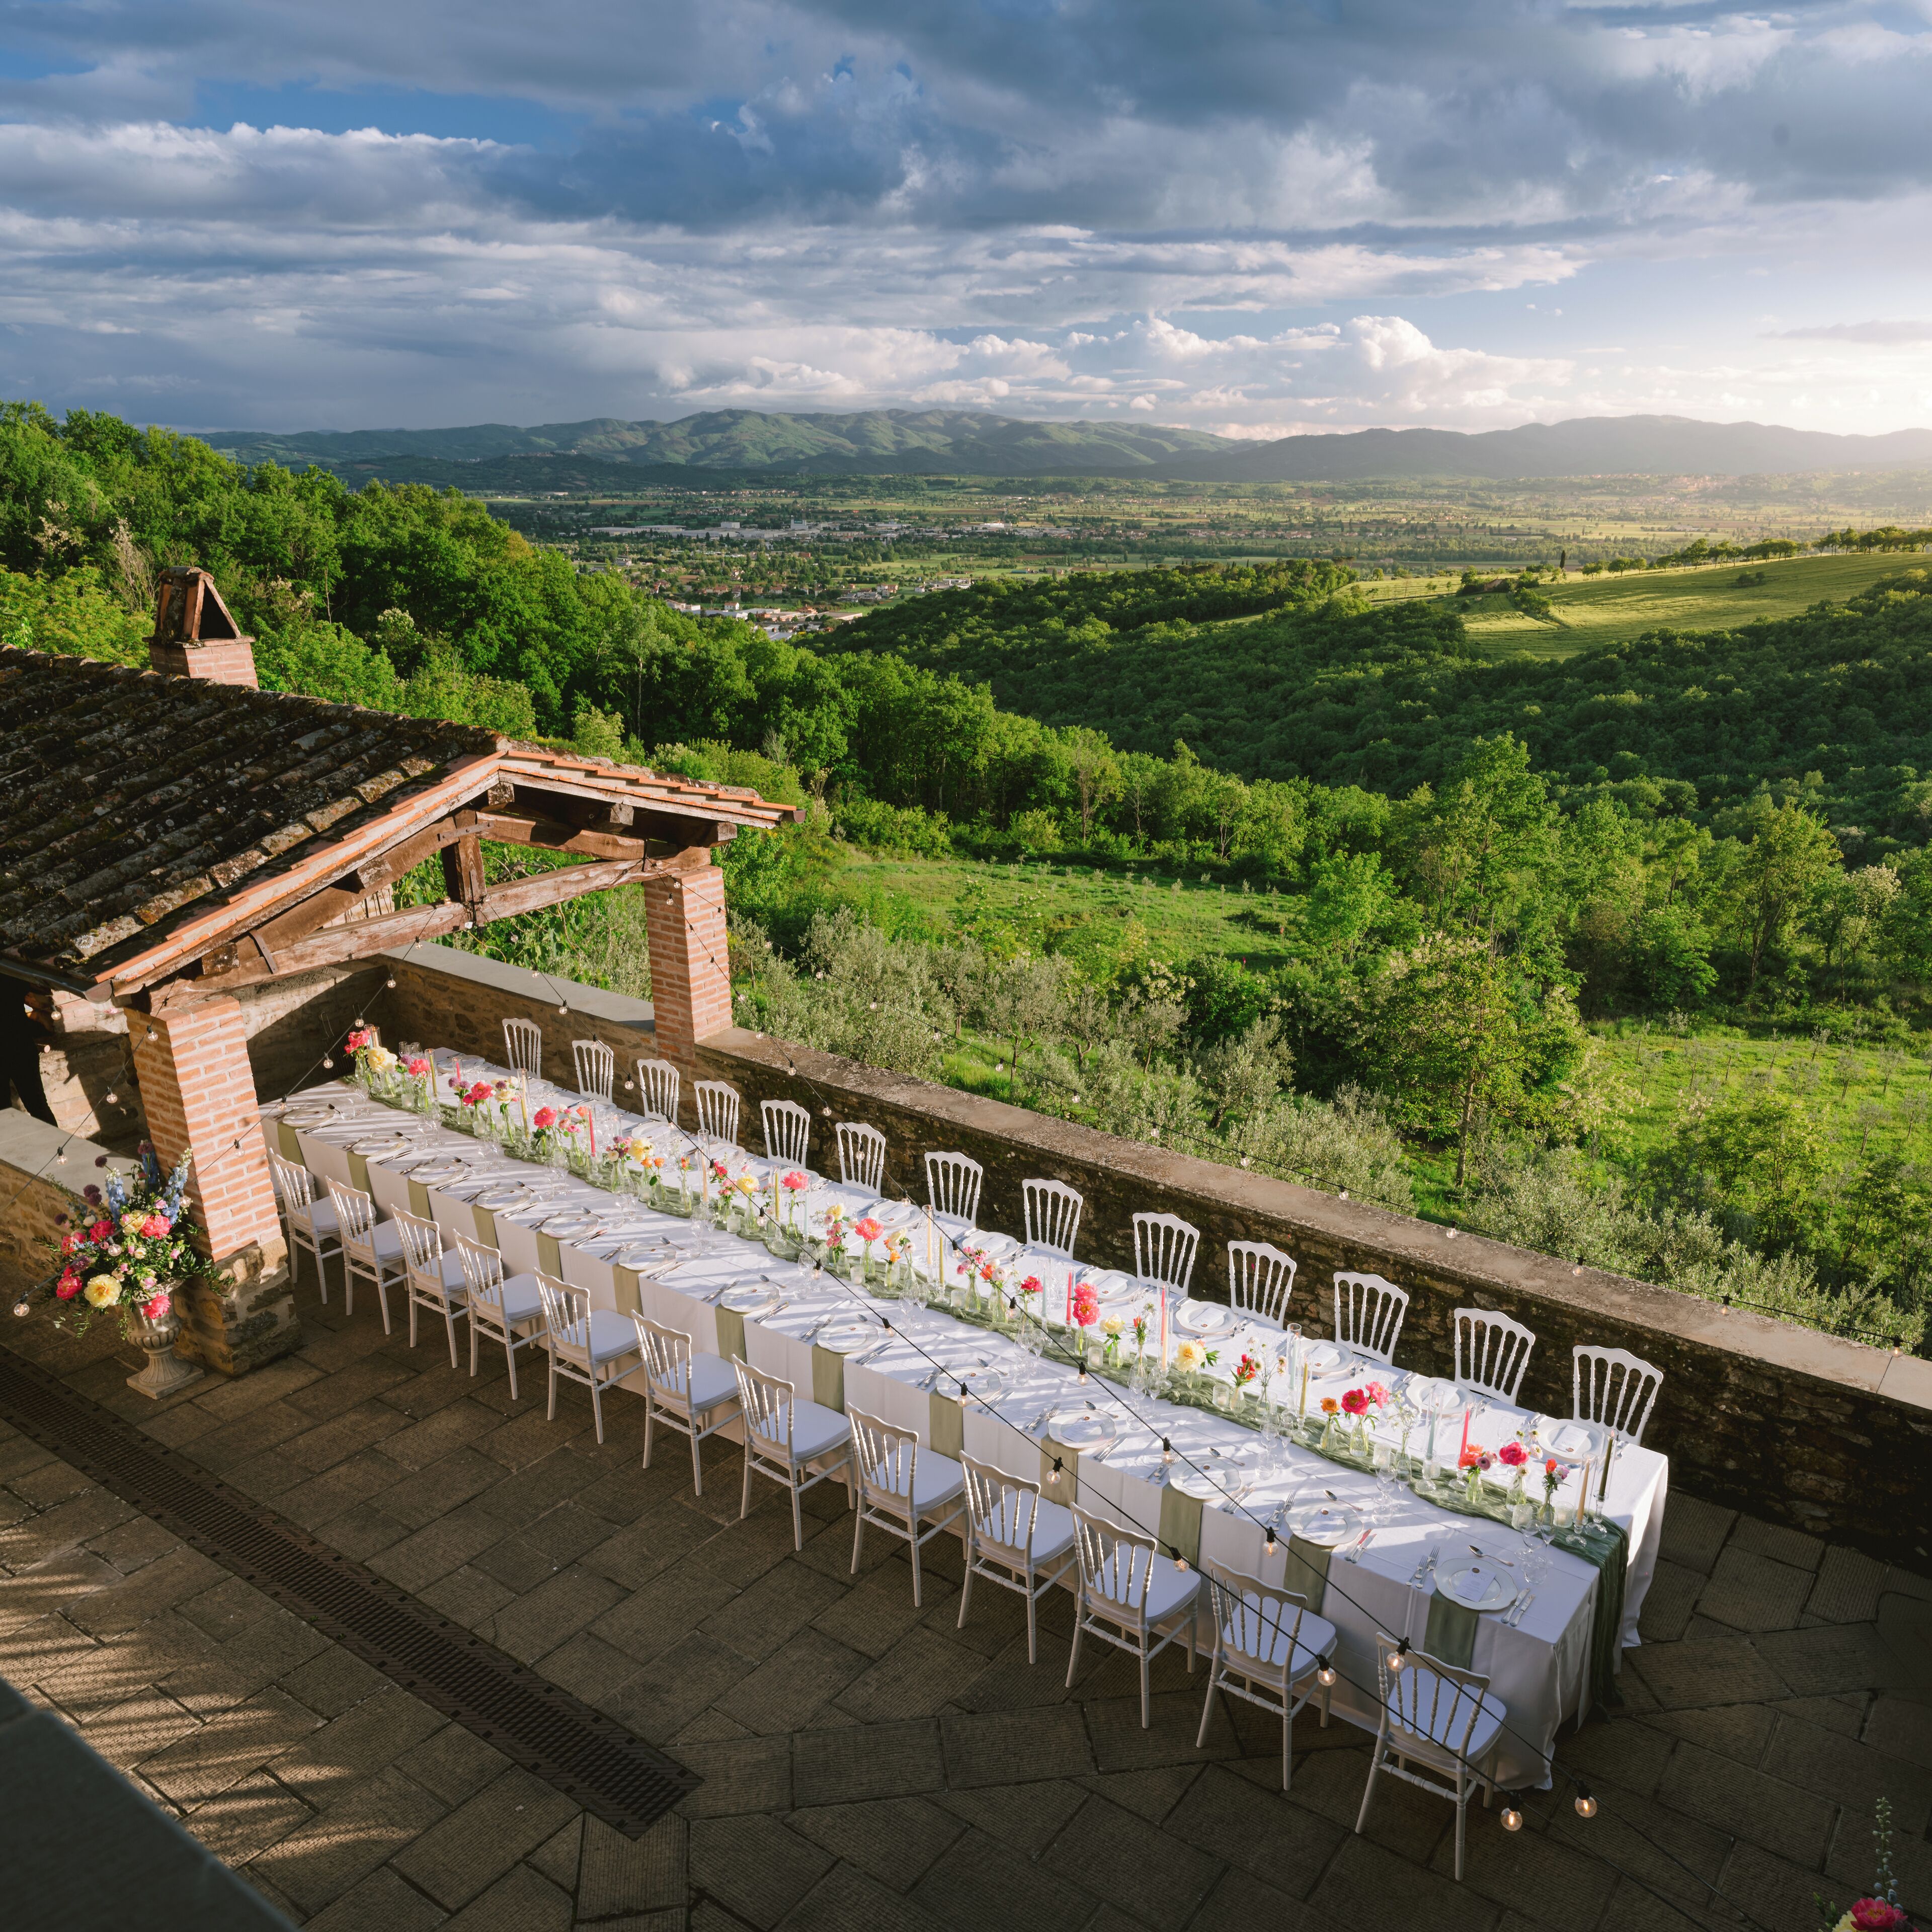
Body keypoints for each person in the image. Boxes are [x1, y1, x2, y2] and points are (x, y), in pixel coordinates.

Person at [1, 985, 56, 1124]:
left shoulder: (8, 972)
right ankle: (57, 1145)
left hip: (19, 1048)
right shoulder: (9, 971)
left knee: (32, 1106)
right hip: (21, 1047)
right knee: (37, 1106)